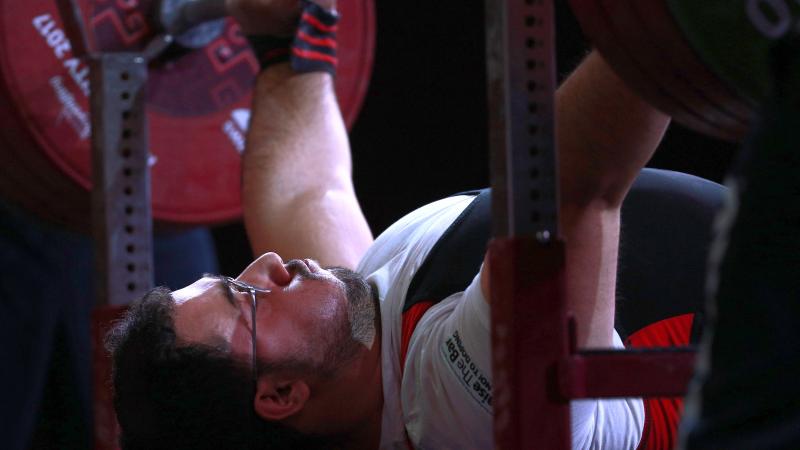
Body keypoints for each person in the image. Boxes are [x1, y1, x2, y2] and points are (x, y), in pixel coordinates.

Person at [105, 0, 671, 448]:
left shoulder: (365, 363)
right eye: (244, 296)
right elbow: (573, 184)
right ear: (280, 394)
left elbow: (307, 190)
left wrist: (292, 39)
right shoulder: (459, 405)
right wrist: (679, 23)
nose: (268, 264)